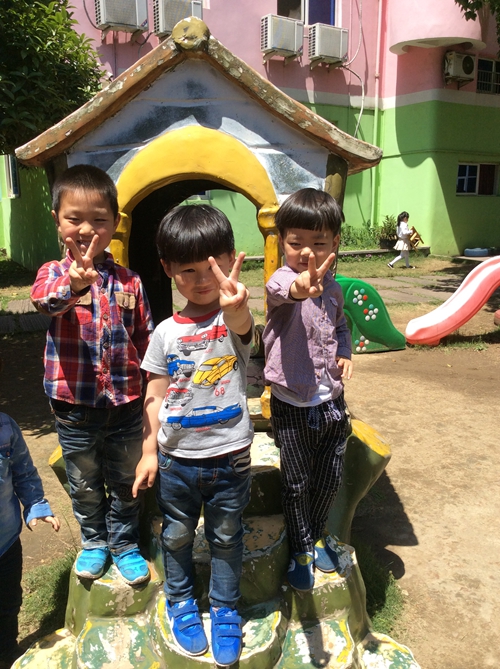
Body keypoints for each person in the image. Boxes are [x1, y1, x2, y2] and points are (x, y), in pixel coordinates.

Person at [133, 204, 253, 666]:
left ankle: (224, 608)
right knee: (178, 535)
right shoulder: (164, 333)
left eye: (212, 267)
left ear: (229, 260)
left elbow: (244, 329)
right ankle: (181, 600)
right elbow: (155, 393)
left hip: (230, 459)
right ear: (167, 268)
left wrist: (237, 307)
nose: (203, 280)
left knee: (227, 536)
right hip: (176, 461)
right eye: (189, 270)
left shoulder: (232, 318)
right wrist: (148, 452)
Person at [30, 165, 154, 586]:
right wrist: (74, 285)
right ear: (57, 220)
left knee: (125, 478)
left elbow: (145, 337)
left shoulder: (130, 281)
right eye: (74, 219)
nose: (86, 229)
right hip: (74, 407)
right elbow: (45, 302)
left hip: (126, 404)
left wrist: (158, 384)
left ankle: (125, 544)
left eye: (99, 219)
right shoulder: (53, 273)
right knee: (83, 481)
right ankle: (94, 541)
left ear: (115, 223)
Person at [263, 188, 353, 592]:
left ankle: (315, 534)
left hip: (332, 401)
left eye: (319, 243)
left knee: (330, 478)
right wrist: (303, 285)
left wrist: (345, 352)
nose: (307, 253)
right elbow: (287, 290)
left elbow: (341, 325)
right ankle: (301, 548)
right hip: (293, 404)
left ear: (335, 243)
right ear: (282, 242)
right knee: (297, 483)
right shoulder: (282, 280)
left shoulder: (333, 290)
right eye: (296, 242)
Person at [0, 400, 60, 668]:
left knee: (9, 603)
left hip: (6, 542)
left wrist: (36, 505)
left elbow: (23, 472)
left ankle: (7, 650)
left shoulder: (5, 427)